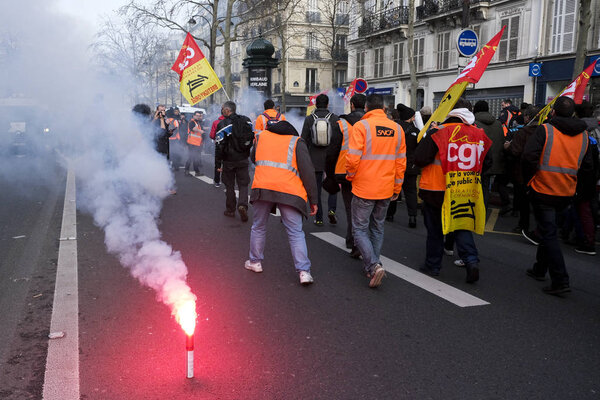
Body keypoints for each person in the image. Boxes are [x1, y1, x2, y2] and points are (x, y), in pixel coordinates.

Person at [414, 98, 492, 283]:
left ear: (450, 111)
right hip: (464, 190)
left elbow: (420, 158)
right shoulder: (479, 134)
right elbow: (487, 163)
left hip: (435, 189)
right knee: (461, 226)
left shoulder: (438, 131)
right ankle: (471, 261)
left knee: (435, 230)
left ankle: (433, 265)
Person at [522, 96, 594, 295]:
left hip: (544, 189)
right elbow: (588, 168)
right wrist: (580, 192)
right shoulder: (584, 136)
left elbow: (528, 156)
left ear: (553, 111)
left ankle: (560, 280)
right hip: (567, 192)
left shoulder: (545, 130)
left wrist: (528, 181)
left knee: (549, 233)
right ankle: (539, 268)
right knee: (549, 231)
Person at [246, 118, 318, 285]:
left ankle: (255, 262)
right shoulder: (297, 142)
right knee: (295, 232)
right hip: (290, 191)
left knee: (258, 226)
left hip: (262, 187)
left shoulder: (261, 136)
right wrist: (313, 199)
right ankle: (304, 272)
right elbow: (308, 171)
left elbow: (253, 157)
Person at [346, 94, 406, 288]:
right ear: (384, 108)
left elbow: (353, 158)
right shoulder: (397, 129)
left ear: (366, 108)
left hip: (364, 187)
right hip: (386, 187)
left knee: (359, 229)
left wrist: (350, 176)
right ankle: (371, 267)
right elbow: (400, 163)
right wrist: (397, 187)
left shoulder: (361, 127)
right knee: (377, 227)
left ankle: (373, 265)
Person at [324, 93, 366, 258]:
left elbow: (332, 151)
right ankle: (360, 241)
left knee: (350, 208)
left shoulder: (341, 124)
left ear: (352, 105)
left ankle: (352, 239)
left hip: (344, 171)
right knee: (364, 210)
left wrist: (330, 172)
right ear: (366, 107)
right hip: (366, 172)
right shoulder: (370, 124)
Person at [301, 94, 341, 226]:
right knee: (332, 185)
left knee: (316, 188)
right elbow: (339, 140)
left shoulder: (309, 119)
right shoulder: (335, 119)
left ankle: (318, 217)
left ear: (316, 105)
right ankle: (332, 210)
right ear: (328, 104)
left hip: (314, 159)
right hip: (331, 159)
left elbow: (303, 140)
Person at [215, 101, 253, 221]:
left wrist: (218, 164)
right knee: (243, 184)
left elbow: (219, 146)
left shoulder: (222, 124)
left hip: (229, 161)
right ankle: (242, 205)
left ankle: (230, 210)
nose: (221, 111)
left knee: (229, 185)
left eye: (222, 109)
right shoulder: (247, 121)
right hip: (243, 158)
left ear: (227, 110)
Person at [506, 105, 541, 237]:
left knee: (524, 202)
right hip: (540, 172)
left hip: (522, 172)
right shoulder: (545, 132)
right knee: (538, 203)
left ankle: (523, 225)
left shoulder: (523, 132)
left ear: (527, 117)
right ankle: (540, 228)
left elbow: (515, 151)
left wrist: (508, 147)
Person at [386, 103, 420, 228]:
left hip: (394, 165)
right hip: (410, 166)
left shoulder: (394, 129)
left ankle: (390, 214)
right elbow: (419, 149)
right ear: (411, 118)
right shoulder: (416, 131)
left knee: (394, 190)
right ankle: (412, 217)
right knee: (411, 192)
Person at [473, 100, 509, 213]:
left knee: (479, 186)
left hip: (479, 161)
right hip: (496, 161)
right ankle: (485, 207)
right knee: (487, 186)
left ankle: (479, 208)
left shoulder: (473, 123)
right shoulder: (498, 123)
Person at [185, 111, 204, 176]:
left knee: (196, 158)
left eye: (199, 116)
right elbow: (192, 129)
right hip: (192, 143)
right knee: (191, 157)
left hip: (196, 143)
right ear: (193, 115)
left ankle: (197, 172)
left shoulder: (197, 122)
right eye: (197, 115)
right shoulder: (192, 122)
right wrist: (200, 131)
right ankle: (187, 170)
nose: (198, 117)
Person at [210, 114, 225, 187]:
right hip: (230, 146)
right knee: (228, 163)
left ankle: (217, 181)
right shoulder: (232, 122)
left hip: (219, 145)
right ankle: (227, 181)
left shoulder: (216, 122)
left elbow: (212, 135)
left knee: (218, 163)